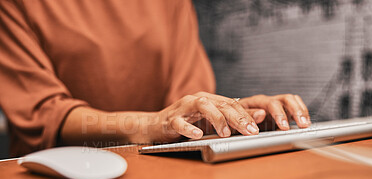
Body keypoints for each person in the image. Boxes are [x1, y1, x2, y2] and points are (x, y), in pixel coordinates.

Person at [0, 0, 310, 157]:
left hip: (164, 175)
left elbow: (188, 105)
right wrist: (152, 126)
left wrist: (235, 112)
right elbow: (44, 115)